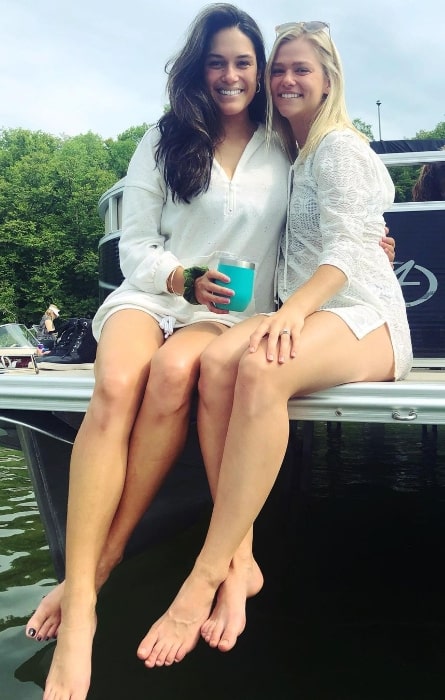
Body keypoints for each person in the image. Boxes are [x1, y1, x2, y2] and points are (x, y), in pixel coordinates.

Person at [26, 7, 396, 700]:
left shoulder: (284, 144)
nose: (232, 74)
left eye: (243, 62)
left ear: (259, 73)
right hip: (155, 292)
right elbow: (133, 246)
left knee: (172, 376)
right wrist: (178, 277)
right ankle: (82, 611)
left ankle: (100, 568)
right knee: (117, 388)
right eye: (217, 62)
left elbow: (330, 218)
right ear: (198, 69)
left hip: (224, 315)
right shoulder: (164, 140)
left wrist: (370, 247)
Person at [136, 20, 412, 669]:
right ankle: (244, 560)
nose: (286, 80)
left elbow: (350, 244)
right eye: (279, 69)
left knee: (261, 367)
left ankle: (205, 573)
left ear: (327, 80)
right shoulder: (285, 150)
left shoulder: (337, 146)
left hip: (362, 316)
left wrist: (292, 311)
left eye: (301, 70)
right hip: (311, 312)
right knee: (215, 361)